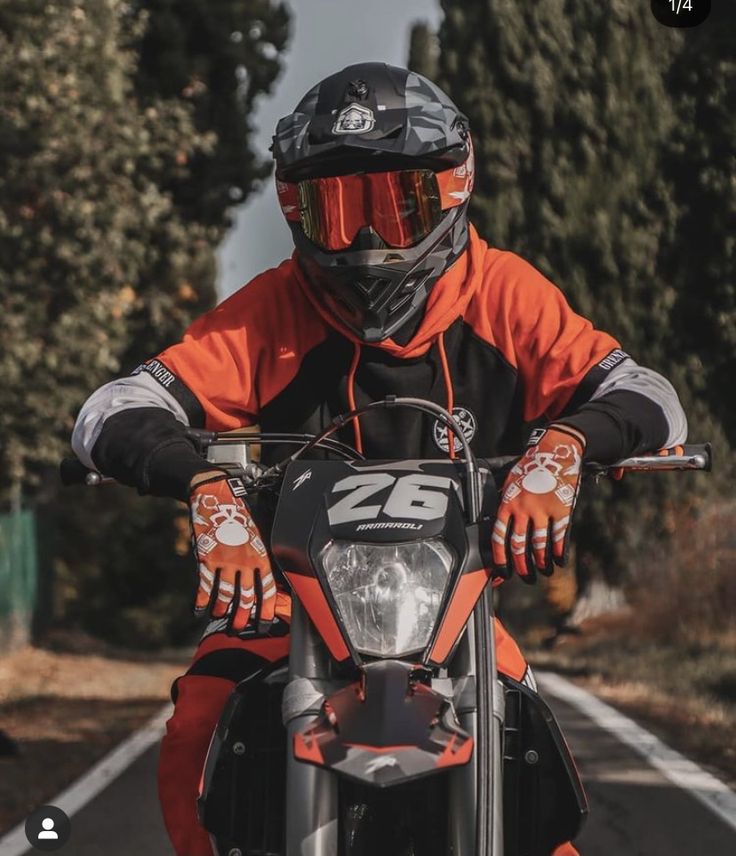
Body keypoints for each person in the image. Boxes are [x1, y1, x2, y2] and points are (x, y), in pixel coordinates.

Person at [71, 63, 687, 856]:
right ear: (296, 210)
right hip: (285, 606)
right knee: (197, 730)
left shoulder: (503, 293)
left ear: (453, 189)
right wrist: (205, 487)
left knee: (535, 776)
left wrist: (566, 447)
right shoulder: (271, 307)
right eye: (335, 208)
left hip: (457, 613)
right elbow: (110, 409)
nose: (365, 241)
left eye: (398, 206)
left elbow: (649, 394)